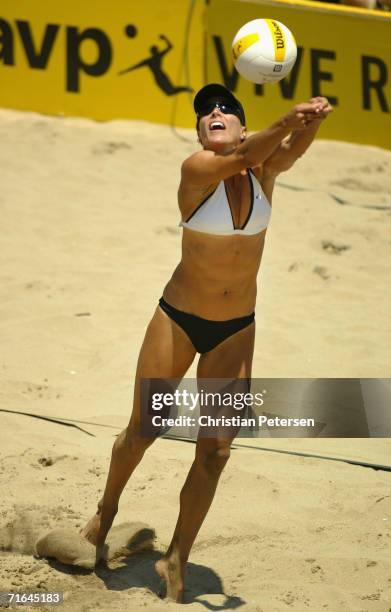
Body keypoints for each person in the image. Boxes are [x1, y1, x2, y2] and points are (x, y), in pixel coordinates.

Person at [81, 83, 332, 602]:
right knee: (143, 431)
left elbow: (286, 152)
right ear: (202, 133)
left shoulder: (264, 173)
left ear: (242, 124)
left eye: (226, 109)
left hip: (236, 329)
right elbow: (252, 151)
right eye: (205, 112)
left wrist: (313, 120)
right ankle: (105, 514)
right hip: (178, 320)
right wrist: (288, 119)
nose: (214, 113)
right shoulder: (197, 170)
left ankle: (178, 554)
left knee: (216, 450)